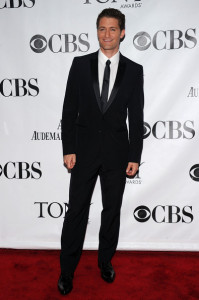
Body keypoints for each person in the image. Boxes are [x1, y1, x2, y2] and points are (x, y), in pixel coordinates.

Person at [58, 8, 144, 295]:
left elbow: (136, 115)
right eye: (101, 29)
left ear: (122, 32)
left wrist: (134, 155)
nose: (106, 34)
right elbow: (69, 111)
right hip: (82, 152)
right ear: (97, 32)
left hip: (117, 154)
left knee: (111, 211)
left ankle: (105, 261)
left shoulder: (134, 70)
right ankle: (66, 270)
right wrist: (68, 148)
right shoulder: (80, 65)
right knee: (76, 212)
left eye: (112, 29)